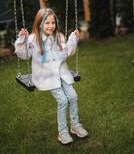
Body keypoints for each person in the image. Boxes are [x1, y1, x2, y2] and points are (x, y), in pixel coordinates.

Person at [15, 8, 88, 144]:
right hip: (46, 76)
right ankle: (63, 132)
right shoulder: (33, 39)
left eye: (52, 23)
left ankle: (75, 125)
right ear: (39, 24)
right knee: (62, 101)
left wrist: (73, 39)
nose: (50, 26)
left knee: (73, 96)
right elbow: (23, 54)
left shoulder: (58, 37)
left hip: (61, 73)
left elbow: (66, 53)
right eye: (46, 23)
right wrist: (22, 39)